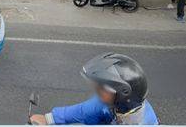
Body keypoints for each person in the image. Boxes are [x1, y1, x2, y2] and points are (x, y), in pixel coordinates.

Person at [29, 53, 158, 125]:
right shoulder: (113, 104)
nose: (97, 90)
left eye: (102, 88)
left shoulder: (142, 123)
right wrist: (49, 118)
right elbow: (84, 110)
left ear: (123, 94)